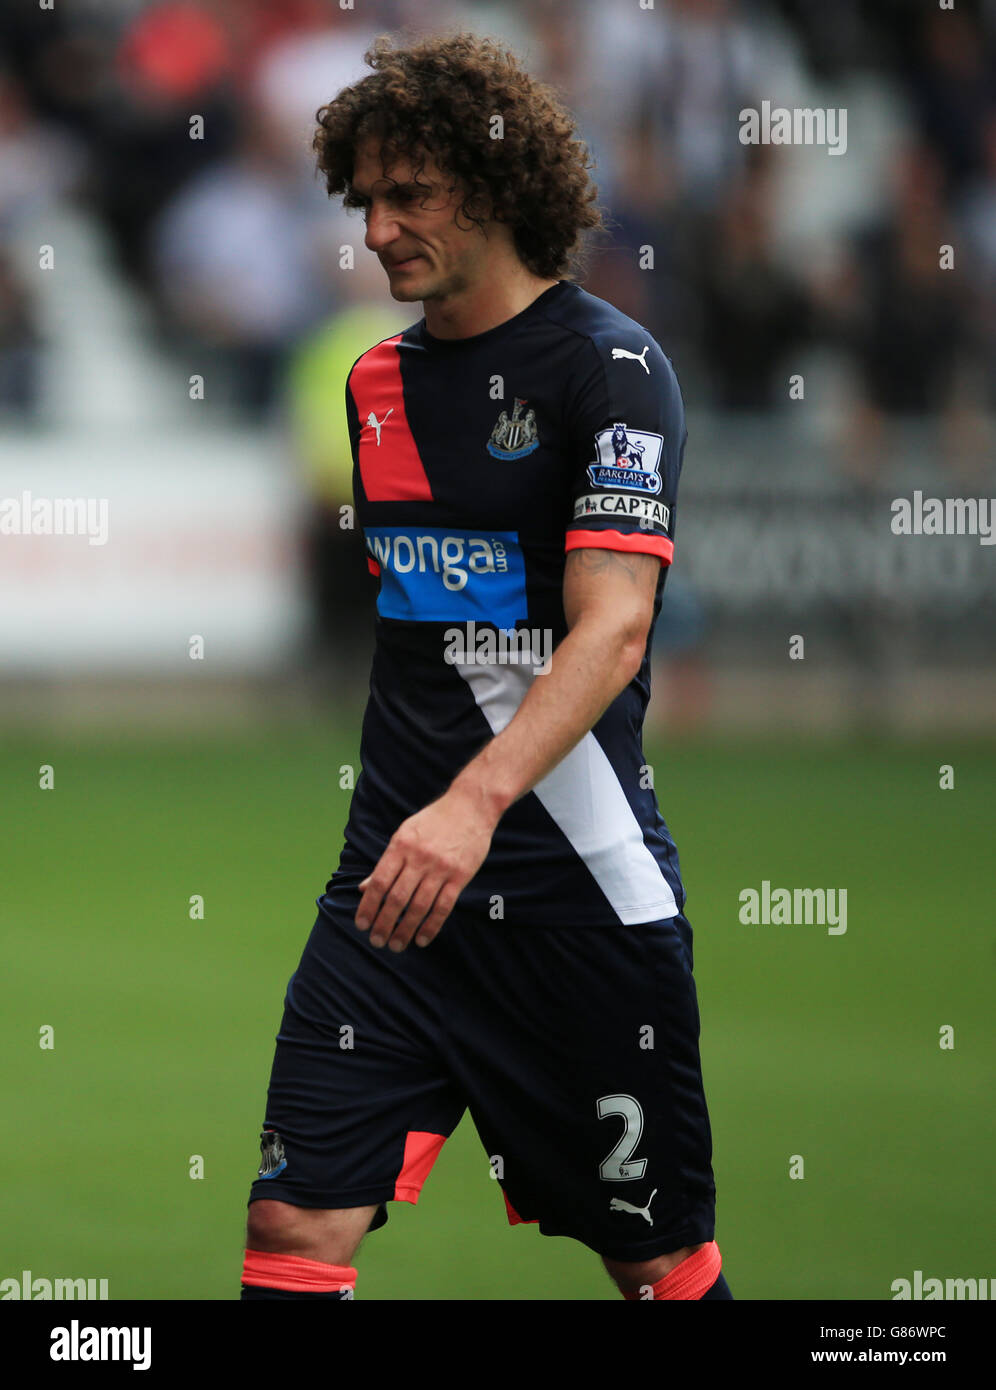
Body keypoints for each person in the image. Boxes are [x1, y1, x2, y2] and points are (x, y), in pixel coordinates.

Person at [240, 30, 731, 1303]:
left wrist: (475, 801)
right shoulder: (370, 384)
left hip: (571, 905)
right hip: (391, 895)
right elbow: (436, 646)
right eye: (366, 201)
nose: (379, 229)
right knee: (295, 1225)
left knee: (659, 1261)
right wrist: (427, 815)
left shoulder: (611, 371)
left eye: (411, 193)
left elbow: (613, 627)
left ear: (496, 183)